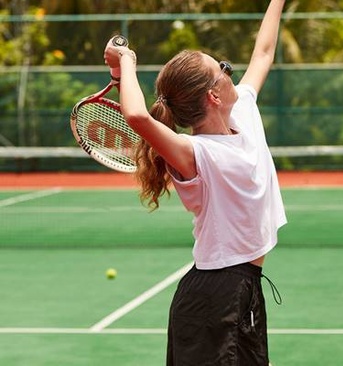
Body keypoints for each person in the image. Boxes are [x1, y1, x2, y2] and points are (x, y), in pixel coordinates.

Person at [104, 1, 287, 364]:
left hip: (241, 291)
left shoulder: (244, 111)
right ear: (213, 95)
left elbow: (264, 51)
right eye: (221, 68)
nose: (228, 68)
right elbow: (138, 115)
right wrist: (127, 62)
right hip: (215, 300)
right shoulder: (196, 154)